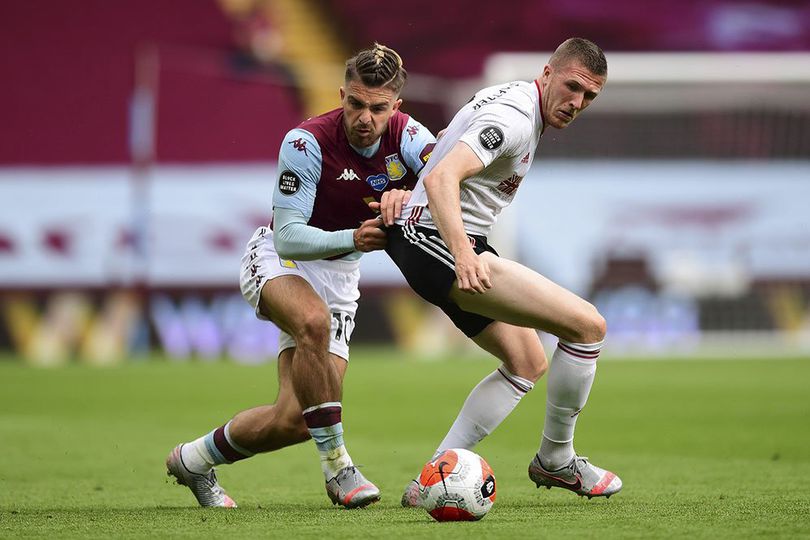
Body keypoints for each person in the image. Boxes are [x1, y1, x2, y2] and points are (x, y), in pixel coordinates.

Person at [166, 43, 436, 509]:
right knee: (312, 321)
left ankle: (193, 460)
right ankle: (339, 470)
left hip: (340, 276)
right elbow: (289, 236)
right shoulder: (305, 142)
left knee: (294, 418)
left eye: (378, 107)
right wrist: (354, 237)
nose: (365, 117)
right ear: (341, 95)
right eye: (355, 103)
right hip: (280, 260)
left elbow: (452, 178)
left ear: (396, 107)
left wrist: (411, 194)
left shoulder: (410, 137)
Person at [383, 38, 623, 503]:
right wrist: (463, 254)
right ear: (548, 73)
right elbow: (440, 176)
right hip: (438, 242)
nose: (577, 103)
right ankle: (556, 459)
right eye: (572, 86)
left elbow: (439, 159)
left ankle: (427, 482)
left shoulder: (516, 101)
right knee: (588, 326)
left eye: (589, 97)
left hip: (433, 240)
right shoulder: (513, 119)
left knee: (528, 361)